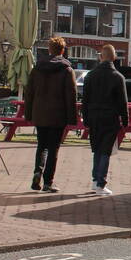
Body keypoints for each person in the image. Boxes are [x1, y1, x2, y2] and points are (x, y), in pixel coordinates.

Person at [24, 36, 78, 192]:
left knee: (42, 145)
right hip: (58, 115)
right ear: (62, 50)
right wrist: (72, 118)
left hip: (40, 113)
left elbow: (29, 93)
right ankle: (48, 182)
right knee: (53, 148)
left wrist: (28, 114)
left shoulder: (37, 68)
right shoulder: (67, 70)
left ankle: (37, 172)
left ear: (49, 49)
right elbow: (71, 95)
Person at [81, 45, 129, 195]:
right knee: (105, 151)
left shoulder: (90, 76)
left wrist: (86, 118)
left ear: (101, 57)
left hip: (94, 116)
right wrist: (125, 120)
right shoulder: (118, 77)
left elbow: (85, 100)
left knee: (96, 149)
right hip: (110, 117)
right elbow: (123, 102)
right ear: (114, 58)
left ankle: (96, 180)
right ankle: (101, 183)